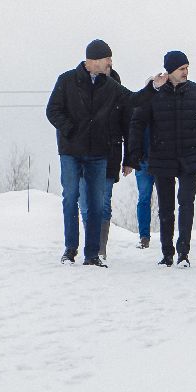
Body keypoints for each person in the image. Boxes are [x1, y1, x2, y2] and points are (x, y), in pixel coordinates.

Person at [46, 39, 132, 267]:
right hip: (71, 151)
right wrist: (70, 130)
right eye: (108, 59)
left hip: (98, 152)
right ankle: (70, 249)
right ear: (93, 60)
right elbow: (52, 110)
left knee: (96, 203)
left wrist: (154, 87)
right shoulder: (66, 80)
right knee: (70, 197)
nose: (110, 63)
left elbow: (132, 101)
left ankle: (92, 254)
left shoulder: (109, 85)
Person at [127, 51, 196, 267]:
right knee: (166, 207)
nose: (185, 72)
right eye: (181, 69)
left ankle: (183, 252)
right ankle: (167, 252)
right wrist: (134, 154)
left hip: (190, 155)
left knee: (186, 202)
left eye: (187, 68)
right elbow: (137, 123)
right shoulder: (154, 93)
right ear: (170, 71)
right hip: (161, 156)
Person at [77, 66, 130, 259]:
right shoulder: (81, 88)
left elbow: (128, 126)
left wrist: (129, 158)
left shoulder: (118, 91)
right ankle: (92, 241)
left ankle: (99, 248)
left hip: (110, 153)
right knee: (84, 202)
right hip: (82, 153)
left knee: (103, 201)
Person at [133, 77, 155, 249]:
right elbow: (133, 134)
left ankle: (165, 235)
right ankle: (144, 236)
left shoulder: (165, 109)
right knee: (144, 198)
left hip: (161, 161)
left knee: (164, 199)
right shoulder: (138, 110)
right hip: (143, 161)